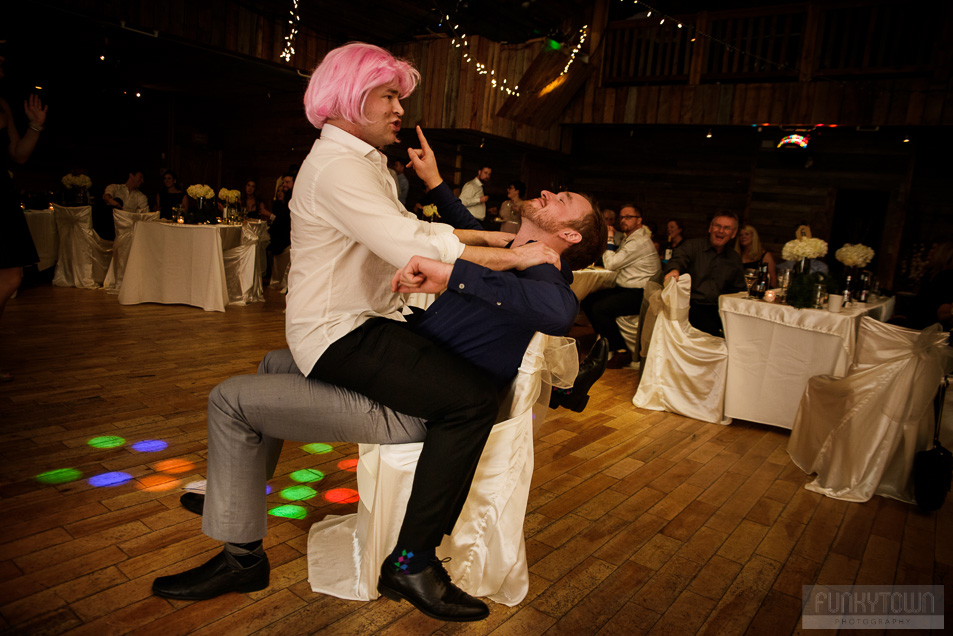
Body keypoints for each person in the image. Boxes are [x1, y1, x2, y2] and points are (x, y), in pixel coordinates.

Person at [152, 42, 603, 622]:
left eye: (397, 96)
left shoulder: (541, 267)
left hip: (378, 341)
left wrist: (483, 257)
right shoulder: (344, 166)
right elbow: (420, 238)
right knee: (267, 373)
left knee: (238, 395)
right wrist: (488, 254)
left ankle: (388, 558)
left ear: (567, 238)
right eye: (389, 96)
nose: (399, 109)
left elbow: (546, 301)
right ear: (349, 97)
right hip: (357, 332)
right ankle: (241, 524)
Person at [0, 54, 46, 383]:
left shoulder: (2, 105)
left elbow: (18, 154)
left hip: (1, 191)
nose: (2, 67)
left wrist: (35, 125)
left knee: (11, 277)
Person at [582, 204, 660, 368]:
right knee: (588, 300)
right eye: (622, 217)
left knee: (599, 308)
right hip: (629, 289)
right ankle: (605, 346)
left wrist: (609, 238)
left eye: (628, 217)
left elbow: (611, 264)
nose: (623, 220)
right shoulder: (630, 238)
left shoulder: (639, 241)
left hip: (641, 293)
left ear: (639, 220)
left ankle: (621, 351)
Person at [664, 210, 747, 338]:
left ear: (733, 233)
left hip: (720, 310)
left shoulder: (734, 258)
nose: (720, 231)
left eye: (726, 228)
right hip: (692, 307)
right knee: (710, 329)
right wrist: (674, 270)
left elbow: (739, 289)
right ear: (710, 228)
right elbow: (678, 259)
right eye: (717, 226)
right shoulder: (693, 246)